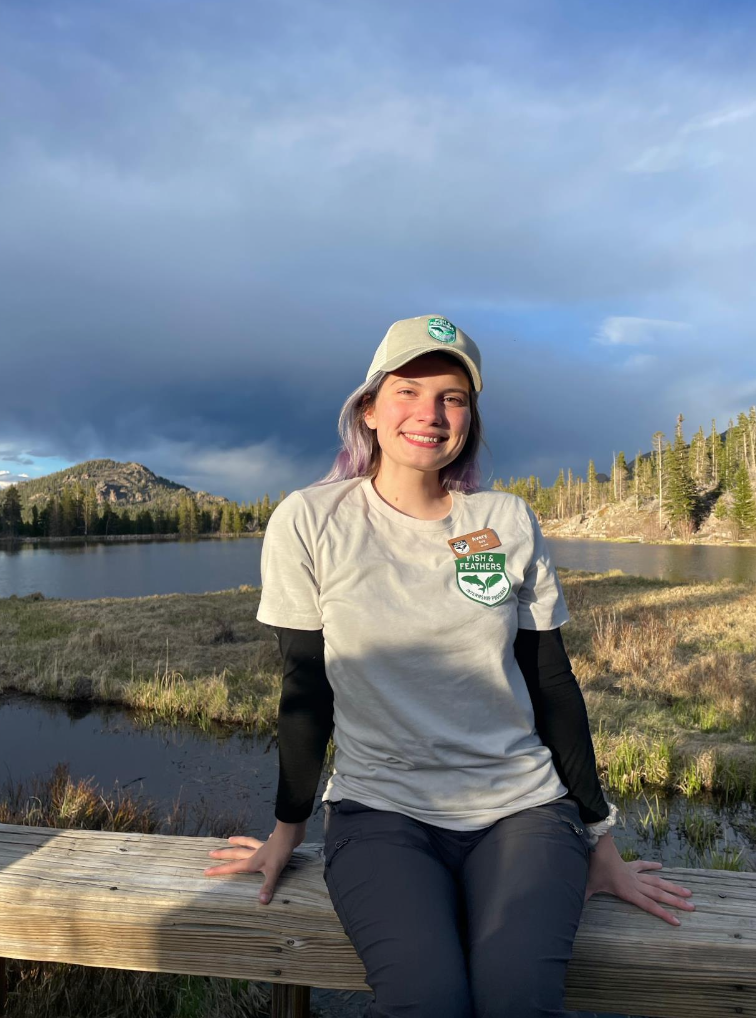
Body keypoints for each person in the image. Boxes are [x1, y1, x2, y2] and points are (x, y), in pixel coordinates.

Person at [204, 315, 695, 1017]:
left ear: (470, 417)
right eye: (408, 391)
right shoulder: (310, 520)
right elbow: (305, 692)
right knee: (426, 998)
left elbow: (552, 685)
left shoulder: (504, 521)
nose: (430, 414)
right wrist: (286, 832)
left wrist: (602, 843)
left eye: (453, 397)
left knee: (516, 996)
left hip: (523, 812)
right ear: (369, 410)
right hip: (381, 814)